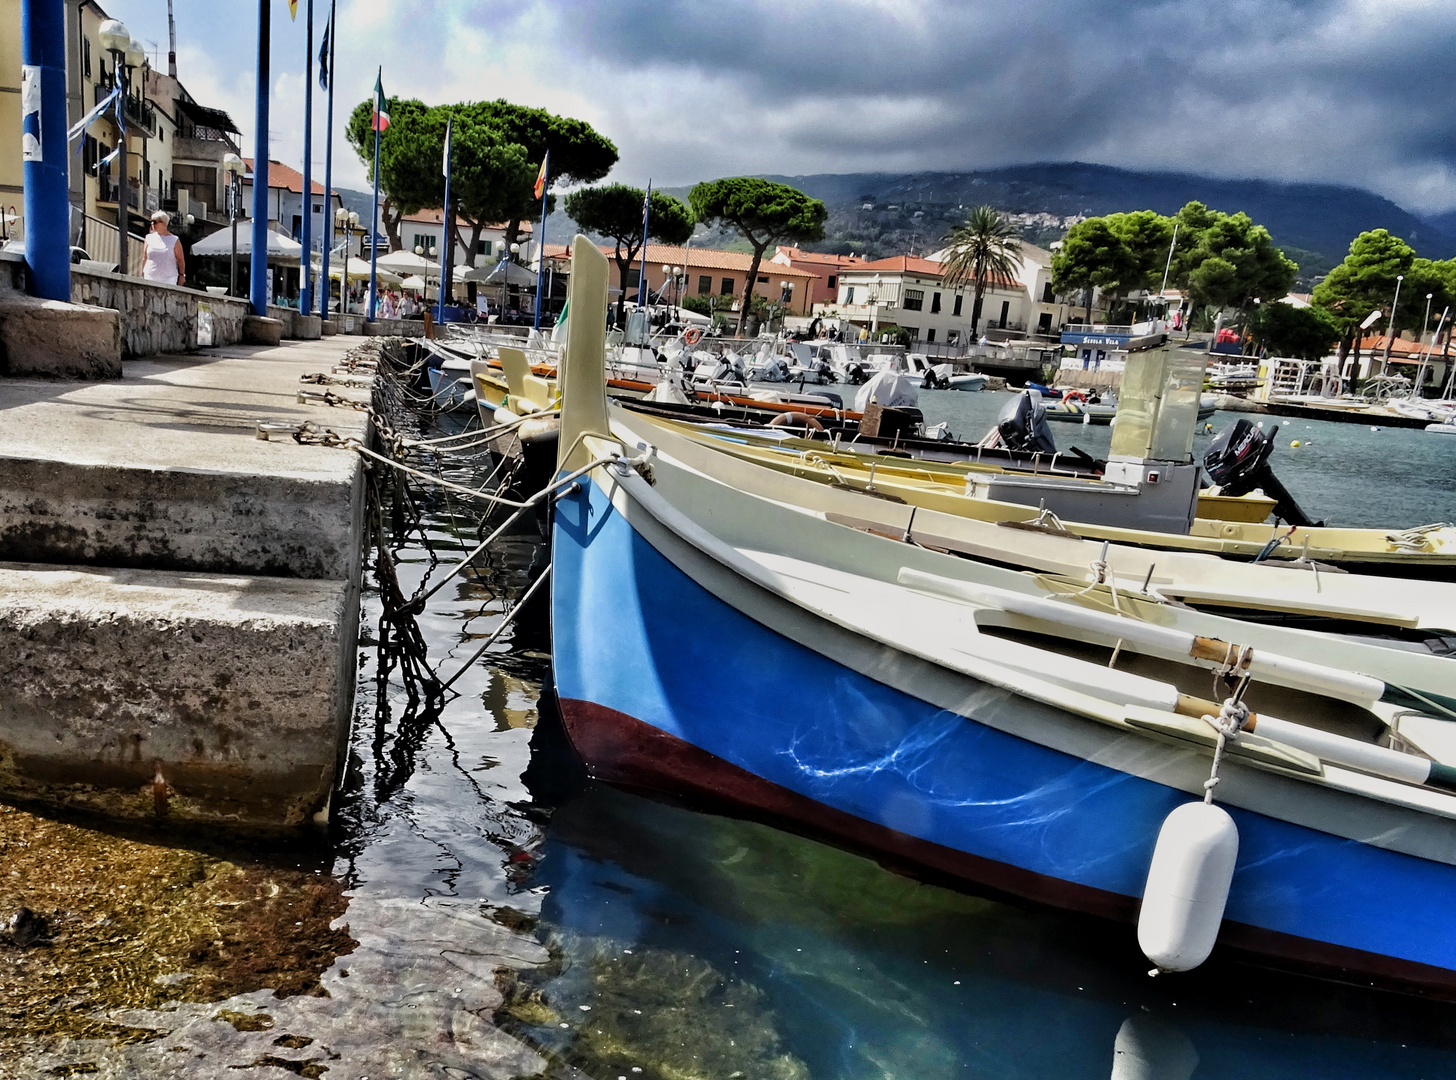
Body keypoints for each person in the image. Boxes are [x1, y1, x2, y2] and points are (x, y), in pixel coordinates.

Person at [141, 211, 184, 286]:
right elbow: (144, 257)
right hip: (150, 276)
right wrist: (142, 273)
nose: (152, 224)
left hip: (169, 278)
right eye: (151, 222)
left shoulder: (174, 240)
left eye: (155, 222)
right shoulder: (148, 238)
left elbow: (180, 259)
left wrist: (181, 275)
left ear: (164, 223)